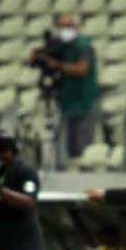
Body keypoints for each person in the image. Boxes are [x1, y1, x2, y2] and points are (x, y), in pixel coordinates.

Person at [28, 14, 101, 163]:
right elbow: (35, 60)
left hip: (83, 100)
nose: (64, 30)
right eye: (62, 27)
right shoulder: (59, 44)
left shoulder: (83, 45)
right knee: (67, 140)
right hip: (65, 100)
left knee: (81, 142)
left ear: (75, 27)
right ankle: (64, 162)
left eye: (68, 26)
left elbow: (82, 69)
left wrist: (57, 65)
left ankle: (78, 163)